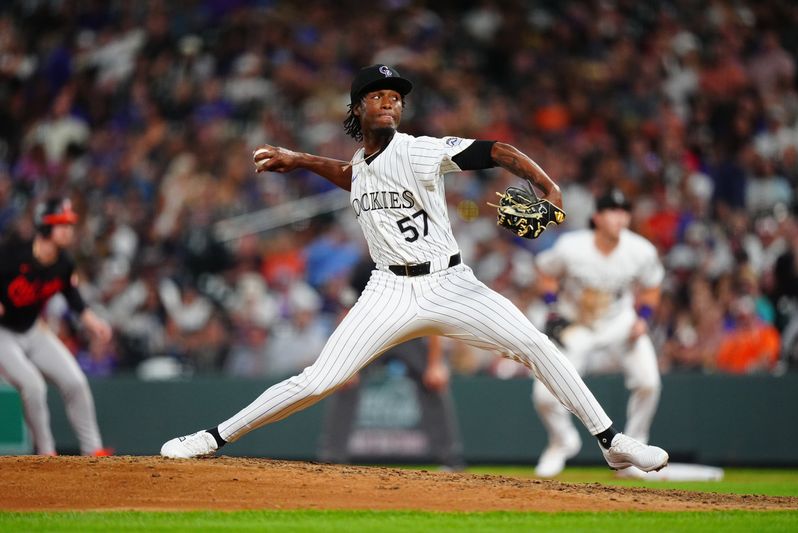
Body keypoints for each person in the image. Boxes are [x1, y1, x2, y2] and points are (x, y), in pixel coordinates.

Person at [161, 64, 669, 476]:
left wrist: (546, 186)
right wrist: (299, 159)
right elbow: (351, 174)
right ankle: (212, 437)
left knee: (536, 344)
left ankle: (611, 440)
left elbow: (497, 151)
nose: (390, 102)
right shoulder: (361, 165)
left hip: (450, 283)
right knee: (319, 380)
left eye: (396, 97)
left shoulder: (418, 149)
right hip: (387, 291)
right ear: (358, 108)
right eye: (378, 95)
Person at [530, 188, 664, 478]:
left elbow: (652, 288)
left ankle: (635, 451)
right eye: (612, 211)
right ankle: (562, 441)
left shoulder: (640, 250)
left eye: (623, 211)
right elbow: (545, 271)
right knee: (543, 395)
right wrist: (552, 308)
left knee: (649, 382)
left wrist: (644, 318)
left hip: (620, 325)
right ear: (597, 217)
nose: (619, 217)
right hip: (578, 326)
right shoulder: (571, 247)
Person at [317, 258, 464, 469]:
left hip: (408, 333)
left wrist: (435, 364)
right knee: (343, 381)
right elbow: (346, 313)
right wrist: (344, 363)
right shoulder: (363, 267)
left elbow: (433, 319)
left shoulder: (417, 265)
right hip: (370, 334)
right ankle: (332, 456)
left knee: (434, 383)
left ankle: (450, 458)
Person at [0, 197, 113, 456]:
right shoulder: (11, 254)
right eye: (61, 224)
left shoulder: (63, 263)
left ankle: (93, 450)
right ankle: (46, 453)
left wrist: (93, 323)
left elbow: (74, 299)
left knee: (75, 382)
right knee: (33, 386)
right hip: (3, 333)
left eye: (69, 224)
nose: (68, 230)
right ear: (45, 227)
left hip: (33, 329)